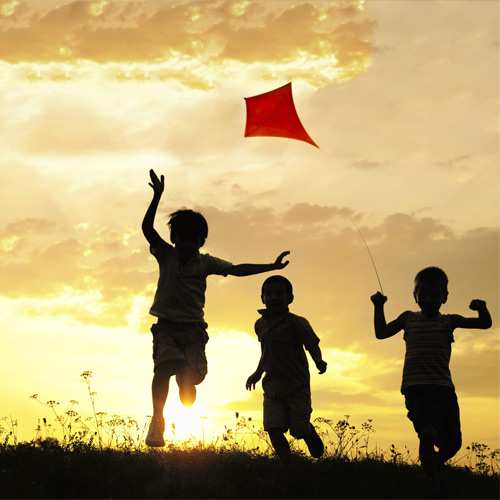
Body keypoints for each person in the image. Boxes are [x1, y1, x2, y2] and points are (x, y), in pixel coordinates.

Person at [142, 169, 291, 447]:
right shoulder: (167, 255)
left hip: (194, 332)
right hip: (166, 328)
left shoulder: (205, 263)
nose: (186, 244)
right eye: (182, 238)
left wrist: (271, 266)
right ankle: (157, 419)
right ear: (174, 239)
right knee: (162, 369)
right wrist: (157, 197)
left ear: (201, 242)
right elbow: (148, 231)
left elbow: (237, 270)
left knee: (190, 386)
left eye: (192, 240)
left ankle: (187, 383)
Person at [370, 266, 492, 492]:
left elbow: (484, 324)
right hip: (415, 388)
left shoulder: (449, 321)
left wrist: (482, 308)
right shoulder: (408, 319)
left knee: (454, 443)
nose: (428, 299)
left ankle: (430, 467)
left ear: (445, 297)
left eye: (435, 295)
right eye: (423, 295)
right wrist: (378, 306)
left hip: (443, 388)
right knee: (427, 433)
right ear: (415, 296)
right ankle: (430, 481)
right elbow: (381, 332)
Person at [246, 275, 327, 462]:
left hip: (297, 386)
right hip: (272, 386)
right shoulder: (260, 324)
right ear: (262, 298)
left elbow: (312, 344)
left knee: (297, 429)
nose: (274, 298)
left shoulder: (297, 322)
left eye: (279, 294)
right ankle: (286, 464)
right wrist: (257, 373)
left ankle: (308, 432)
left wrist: (319, 361)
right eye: (269, 294)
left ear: (290, 298)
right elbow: (265, 351)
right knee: (273, 428)